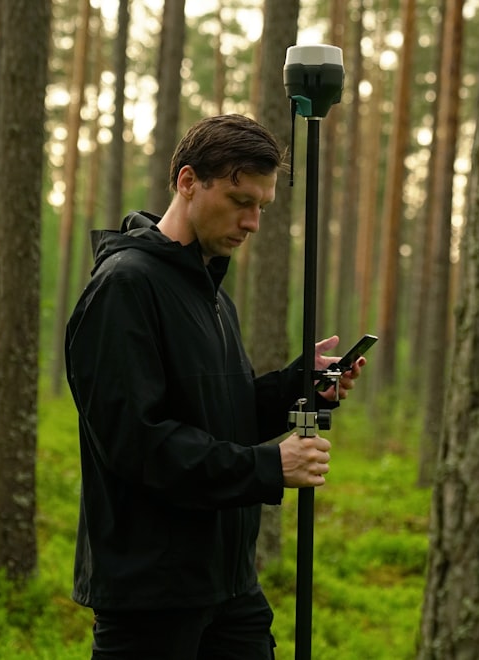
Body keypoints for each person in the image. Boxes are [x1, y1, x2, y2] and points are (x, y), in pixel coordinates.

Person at [64, 114, 366, 659]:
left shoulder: (211, 294)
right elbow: (138, 444)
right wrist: (268, 467)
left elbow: (225, 413)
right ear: (187, 181)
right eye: (238, 200)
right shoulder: (125, 288)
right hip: (151, 594)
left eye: (262, 207)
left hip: (227, 583)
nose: (252, 222)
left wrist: (303, 386)